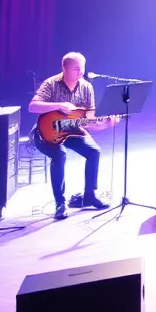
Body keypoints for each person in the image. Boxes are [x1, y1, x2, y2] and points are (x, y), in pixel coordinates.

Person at [29, 52, 115, 220]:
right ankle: (60, 203)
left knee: (94, 151)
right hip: (48, 132)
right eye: (76, 68)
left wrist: (104, 124)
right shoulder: (51, 84)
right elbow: (32, 106)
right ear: (64, 68)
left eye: (82, 68)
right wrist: (59, 105)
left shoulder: (86, 87)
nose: (80, 72)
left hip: (72, 130)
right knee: (60, 155)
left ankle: (89, 194)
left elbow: (88, 120)